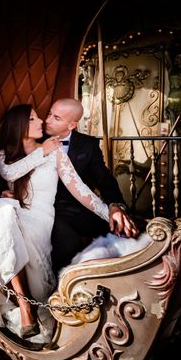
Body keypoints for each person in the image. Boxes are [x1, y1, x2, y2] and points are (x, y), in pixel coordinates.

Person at [0, 104, 113, 341]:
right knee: (3, 208)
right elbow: (10, 173)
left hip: (39, 222)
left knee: (5, 209)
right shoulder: (6, 154)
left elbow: (80, 190)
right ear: (19, 126)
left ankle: (27, 304)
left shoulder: (55, 151)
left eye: (39, 117)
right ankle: (24, 304)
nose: (40, 122)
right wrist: (42, 152)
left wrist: (112, 214)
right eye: (33, 119)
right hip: (16, 217)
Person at [44, 98, 140, 273]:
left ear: (72, 125)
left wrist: (115, 206)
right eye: (49, 114)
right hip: (51, 211)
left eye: (56, 118)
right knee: (66, 242)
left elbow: (104, 179)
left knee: (127, 230)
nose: (47, 120)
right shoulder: (37, 140)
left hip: (82, 208)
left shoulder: (88, 144)